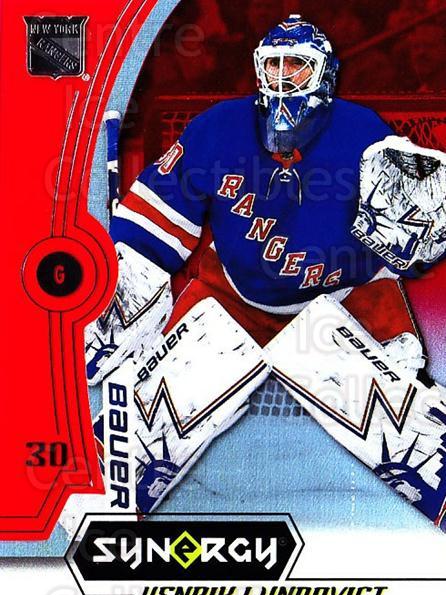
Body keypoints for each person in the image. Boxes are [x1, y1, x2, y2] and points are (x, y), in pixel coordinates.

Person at [81, 15, 446, 531]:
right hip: (233, 292)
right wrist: (114, 298)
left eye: (295, 66)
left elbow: (408, 240)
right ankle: (96, 503)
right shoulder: (218, 130)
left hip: (347, 294)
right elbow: (149, 228)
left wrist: (423, 226)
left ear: (324, 75)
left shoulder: (365, 136)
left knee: (408, 429)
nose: (281, 79)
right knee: (153, 419)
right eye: (272, 66)